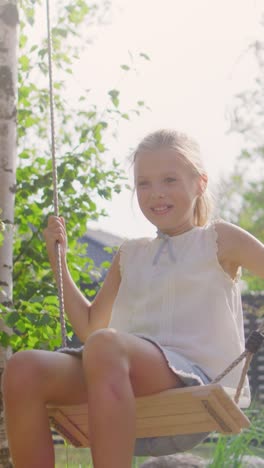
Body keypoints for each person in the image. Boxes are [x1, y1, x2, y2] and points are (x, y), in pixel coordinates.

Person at [2, 129, 264, 468]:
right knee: (24, 368)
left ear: (200, 183)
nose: (156, 194)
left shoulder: (219, 239)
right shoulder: (130, 253)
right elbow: (90, 328)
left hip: (195, 376)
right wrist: (59, 264)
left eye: (169, 180)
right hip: (116, 370)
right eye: (144, 183)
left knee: (106, 347)